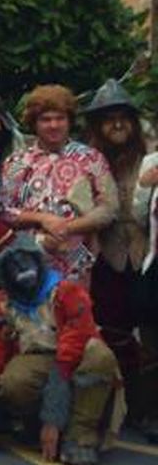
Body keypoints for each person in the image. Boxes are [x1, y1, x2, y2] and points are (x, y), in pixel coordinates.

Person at [0, 235, 119, 465]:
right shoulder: (2, 303)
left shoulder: (68, 292)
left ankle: (80, 437)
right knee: (14, 380)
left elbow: (68, 358)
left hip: (75, 360)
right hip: (38, 358)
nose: (22, 270)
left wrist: (52, 419)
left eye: (26, 261)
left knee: (100, 357)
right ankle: (32, 426)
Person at [80, 79, 153, 424]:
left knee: (152, 335)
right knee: (110, 331)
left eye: (124, 117)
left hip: (148, 254)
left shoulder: (152, 154)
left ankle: (149, 409)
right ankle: (116, 409)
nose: (118, 124)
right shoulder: (88, 160)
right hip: (106, 257)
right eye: (109, 119)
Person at [0, 84, 115, 283]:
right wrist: (42, 219)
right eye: (46, 119)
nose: (54, 125)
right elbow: (3, 210)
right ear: (34, 123)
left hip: (79, 265)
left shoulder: (91, 158)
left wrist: (68, 227)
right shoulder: (16, 163)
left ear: (69, 121)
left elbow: (109, 208)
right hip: (28, 265)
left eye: (60, 118)